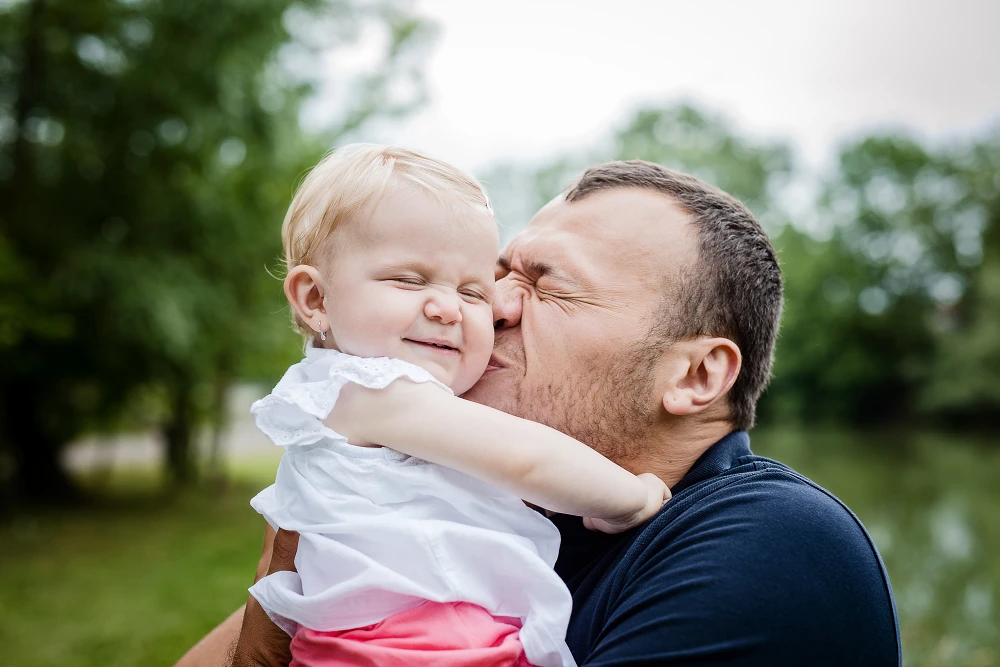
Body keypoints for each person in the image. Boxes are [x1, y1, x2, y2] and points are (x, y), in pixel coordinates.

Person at [177, 159, 901, 667]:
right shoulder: (463, 503)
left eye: (545, 284)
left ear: (695, 374)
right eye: (498, 274)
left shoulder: (774, 543)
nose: (489, 306)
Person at [238, 144, 668, 667]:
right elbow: (524, 458)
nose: (446, 309)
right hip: (406, 643)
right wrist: (631, 497)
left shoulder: (359, 400)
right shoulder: (372, 390)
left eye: (472, 291)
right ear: (315, 299)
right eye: (408, 279)